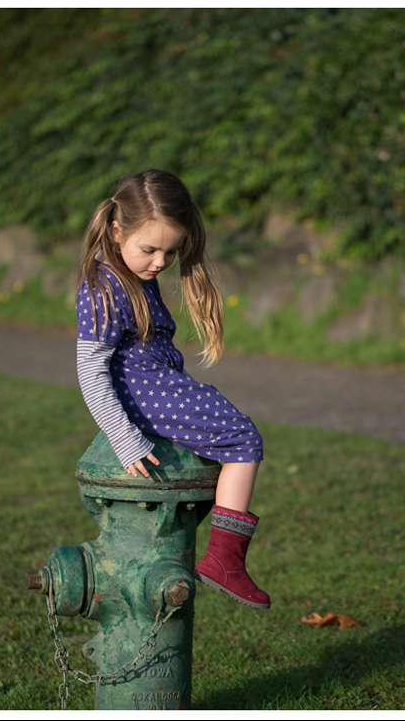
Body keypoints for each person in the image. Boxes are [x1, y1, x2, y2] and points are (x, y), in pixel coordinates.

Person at [75, 168, 270, 610]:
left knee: (234, 435)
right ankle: (225, 560)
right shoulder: (105, 285)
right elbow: (91, 369)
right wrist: (125, 439)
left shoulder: (130, 274)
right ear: (115, 228)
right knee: (244, 440)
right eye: (150, 249)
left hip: (157, 386)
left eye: (171, 251)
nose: (160, 262)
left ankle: (223, 552)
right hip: (147, 392)